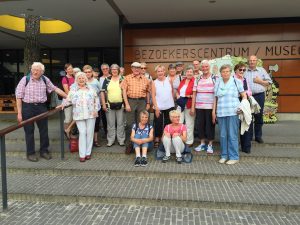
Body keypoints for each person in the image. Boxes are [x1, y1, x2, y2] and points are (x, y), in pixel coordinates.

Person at [15, 62, 67, 162]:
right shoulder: (25, 80)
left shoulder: (44, 79)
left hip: (41, 107)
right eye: (33, 69)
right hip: (28, 107)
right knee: (29, 131)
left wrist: (68, 97)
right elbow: (19, 97)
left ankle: (44, 151)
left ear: (42, 72)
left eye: (37, 70)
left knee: (44, 130)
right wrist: (19, 113)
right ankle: (30, 153)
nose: (35, 72)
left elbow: (55, 89)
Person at [59, 72, 100, 162]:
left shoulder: (91, 89)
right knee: (82, 132)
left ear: (85, 79)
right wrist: (62, 105)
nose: (81, 80)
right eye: (79, 78)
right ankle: (82, 154)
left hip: (91, 114)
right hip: (79, 114)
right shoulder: (73, 90)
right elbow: (68, 99)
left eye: (83, 78)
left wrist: (96, 110)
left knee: (89, 133)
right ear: (76, 80)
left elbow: (96, 100)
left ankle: (88, 153)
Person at [212, 64, 247, 165]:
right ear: (221, 73)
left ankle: (234, 156)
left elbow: (244, 96)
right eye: (223, 72)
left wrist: (241, 107)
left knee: (232, 135)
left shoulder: (237, 81)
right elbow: (215, 98)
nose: (225, 73)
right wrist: (213, 111)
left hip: (233, 112)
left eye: (227, 71)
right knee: (223, 135)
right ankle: (224, 155)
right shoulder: (218, 82)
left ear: (231, 72)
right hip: (221, 112)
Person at [121, 62, 151, 153]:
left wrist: (148, 103)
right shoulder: (127, 78)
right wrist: (126, 104)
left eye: (139, 68)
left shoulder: (145, 79)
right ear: (131, 68)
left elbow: (148, 92)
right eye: (135, 68)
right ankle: (129, 145)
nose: (137, 69)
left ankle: (142, 145)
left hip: (142, 102)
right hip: (131, 101)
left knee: (142, 123)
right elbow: (124, 92)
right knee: (130, 124)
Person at [245, 55, 272, 144]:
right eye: (250, 60)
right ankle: (248, 136)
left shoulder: (262, 70)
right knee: (248, 116)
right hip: (247, 97)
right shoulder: (244, 71)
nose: (252, 62)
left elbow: (269, 82)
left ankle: (258, 136)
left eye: (254, 60)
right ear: (248, 61)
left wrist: (259, 81)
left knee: (258, 116)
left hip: (259, 96)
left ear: (257, 61)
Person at [192, 60, 217, 153]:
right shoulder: (197, 78)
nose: (204, 68)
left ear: (209, 67)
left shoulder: (215, 78)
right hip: (199, 106)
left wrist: (214, 110)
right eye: (203, 67)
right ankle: (202, 143)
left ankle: (210, 144)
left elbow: (216, 95)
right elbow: (194, 94)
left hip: (210, 106)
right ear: (201, 68)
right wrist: (193, 107)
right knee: (200, 125)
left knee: (210, 125)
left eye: (206, 66)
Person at [101, 64, 125, 146]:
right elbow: (102, 92)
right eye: (113, 69)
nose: (114, 71)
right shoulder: (107, 79)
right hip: (109, 105)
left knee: (120, 123)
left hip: (121, 104)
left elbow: (126, 92)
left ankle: (121, 140)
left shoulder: (123, 78)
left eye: (116, 69)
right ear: (110, 71)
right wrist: (104, 104)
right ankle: (110, 140)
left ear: (118, 70)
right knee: (110, 124)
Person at [152, 65, 175, 148]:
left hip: (169, 105)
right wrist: (156, 107)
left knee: (168, 122)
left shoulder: (169, 80)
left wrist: (171, 102)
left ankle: (166, 137)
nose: (160, 73)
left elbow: (172, 91)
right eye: (158, 71)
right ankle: (157, 138)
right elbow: (153, 96)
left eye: (161, 71)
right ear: (156, 72)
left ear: (164, 72)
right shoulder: (154, 82)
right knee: (158, 123)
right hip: (159, 107)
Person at [234, 62, 252, 153]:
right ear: (235, 70)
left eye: (244, 70)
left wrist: (246, 94)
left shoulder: (244, 79)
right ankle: (234, 147)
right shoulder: (232, 79)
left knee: (245, 124)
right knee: (235, 125)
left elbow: (249, 91)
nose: (242, 71)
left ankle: (246, 147)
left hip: (244, 101)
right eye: (240, 69)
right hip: (235, 102)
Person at [176, 65, 195, 147]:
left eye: (191, 72)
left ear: (193, 73)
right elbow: (178, 91)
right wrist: (177, 95)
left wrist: (188, 96)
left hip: (189, 105)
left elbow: (195, 94)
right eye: (188, 72)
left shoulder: (195, 81)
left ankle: (189, 141)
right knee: (178, 122)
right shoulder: (183, 81)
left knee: (189, 124)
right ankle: (178, 140)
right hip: (180, 105)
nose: (189, 73)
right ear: (185, 73)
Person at [83, 65, 102, 147]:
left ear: (92, 73)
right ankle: (87, 142)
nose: (88, 73)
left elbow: (101, 92)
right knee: (86, 124)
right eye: (86, 72)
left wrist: (103, 103)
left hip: (95, 106)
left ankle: (95, 140)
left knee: (96, 123)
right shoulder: (82, 81)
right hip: (85, 107)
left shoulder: (96, 81)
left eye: (89, 72)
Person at [62, 63, 75, 134]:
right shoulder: (65, 78)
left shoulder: (74, 77)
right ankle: (66, 131)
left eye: (71, 68)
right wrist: (74, 97)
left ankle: (71, 131)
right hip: (68, 100)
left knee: (74, 117)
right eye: (69, 69)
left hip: (75, 100)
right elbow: (66, 91)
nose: (70, 70)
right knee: (68, 118)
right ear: (66, 70)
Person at [99, 63, 111, 136]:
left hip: (111, 101)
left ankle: (112, 133)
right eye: (103, 69)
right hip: (102, 102)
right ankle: (106, 133)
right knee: (104, 118)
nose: (105, 70)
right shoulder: (99, 79)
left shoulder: (113, 77)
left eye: (106, 68)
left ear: (109, 69)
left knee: (112, 119)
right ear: (101, 70)